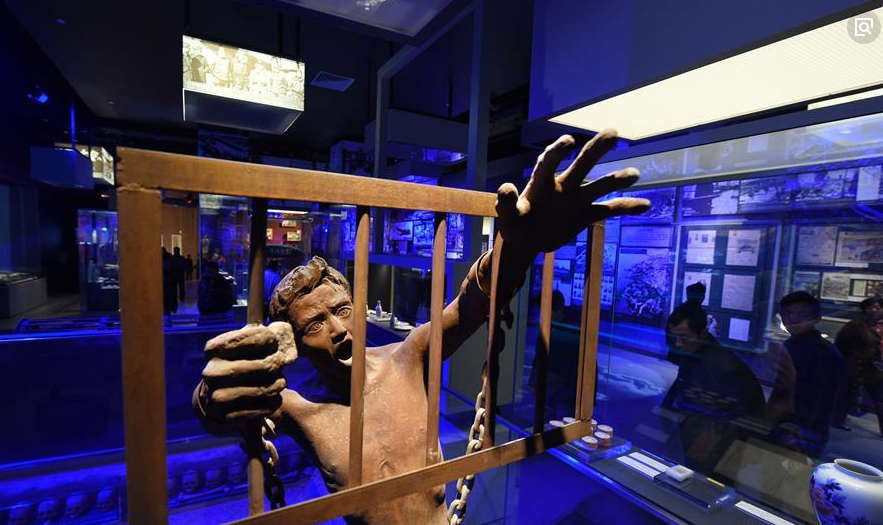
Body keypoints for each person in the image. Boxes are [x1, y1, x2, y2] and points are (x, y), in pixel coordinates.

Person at [192, 131, 650, 525]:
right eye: (315, 323)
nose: (337, 328)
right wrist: (212, 394)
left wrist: (517, 251)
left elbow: (470, 304)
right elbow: (219, 409)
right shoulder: (298, 407)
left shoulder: (407, 358)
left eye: (342, 310)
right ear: (293, 338)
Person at [662, 302, 765, 473]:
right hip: (702, 430)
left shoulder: (720, 364)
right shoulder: (693, 352)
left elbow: (741, 410)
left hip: (717, 438)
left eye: (684, 337)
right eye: (674, 337)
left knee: (708, 481)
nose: (678, 343)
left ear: (702, 333)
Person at [766, 291, 842, 457]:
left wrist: (804, 433)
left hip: (804, 429)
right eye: (789, 313)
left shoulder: (824, 352)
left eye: (802, 314)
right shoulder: (791, 344)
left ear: (816, 318)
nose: (794, 319)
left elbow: (823, 398)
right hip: (788, 423)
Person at [833, 296, 883, 434]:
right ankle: (838, 420)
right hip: (855, 365)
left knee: (879, 397)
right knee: (846, 393)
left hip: (872, 367)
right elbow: (841, 342)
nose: (875, 310)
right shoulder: (855, 326)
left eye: (878, 307)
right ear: (865, 309)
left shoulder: (878, 325)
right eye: (871, 307)